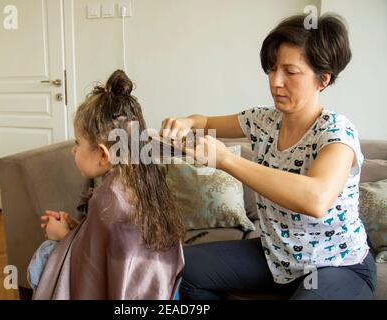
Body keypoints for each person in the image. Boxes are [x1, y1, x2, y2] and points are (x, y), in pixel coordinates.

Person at [160, 14, 377, 300]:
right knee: (176, 270)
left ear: (322, 79)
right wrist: (186, 122)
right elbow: (203, 120)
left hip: (336, 265)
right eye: (272, 70)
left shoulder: (337, 132)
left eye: (290, 71)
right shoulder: (263, 120)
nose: (276, 82)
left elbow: (316, 199)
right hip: (276, 259)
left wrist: (226, 159)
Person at [28, 69, 185, 299]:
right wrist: (77, 229)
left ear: (103, 155)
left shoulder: (109, 198)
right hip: (167, 287)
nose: (73, 150)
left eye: (77, 143)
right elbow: (106, 246)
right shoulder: (143, 176)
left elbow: (89, 269)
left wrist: (62, 237)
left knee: (41, 260)